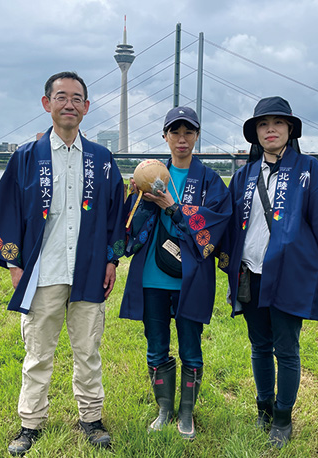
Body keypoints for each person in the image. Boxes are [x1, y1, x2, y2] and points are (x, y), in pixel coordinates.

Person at [0, 72, 126, 455]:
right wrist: (13, 264)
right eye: (61, 97)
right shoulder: (26, 157)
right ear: (46, 103)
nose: (69, 104)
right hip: (42, 271)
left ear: (86, 108)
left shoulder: (102, 161)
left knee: (88, 350)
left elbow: (115, 215)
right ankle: (30, 423)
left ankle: (91, 418)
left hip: (88, 269)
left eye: (77, 98)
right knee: (38, 352)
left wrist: (112, 260)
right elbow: (6, 212)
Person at [218, 96, 318, 449]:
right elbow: (229, 228)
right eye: (262, 124)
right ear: (255, 133)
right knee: (259, 346)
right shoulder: (243, 175)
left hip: (289, 273)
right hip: (251, 273)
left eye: (277, 123)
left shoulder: (310, 170)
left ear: (290, 129)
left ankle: (284, 417)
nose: (269, 129)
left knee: (286, 348)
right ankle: (263, 409)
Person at [120, 107, 231, 439]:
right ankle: (165, 408)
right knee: (155, 346)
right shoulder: (151, 173)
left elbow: (213, 228)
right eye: (175, 132)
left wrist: (172, 205)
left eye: (188, 132)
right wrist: (138, 197)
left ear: (197, 136)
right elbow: (131, 229)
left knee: (190, 348)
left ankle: (186, 413)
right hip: (152, 276)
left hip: (190, 279)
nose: (181, 139)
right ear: (165, 136)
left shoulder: (210, 181)